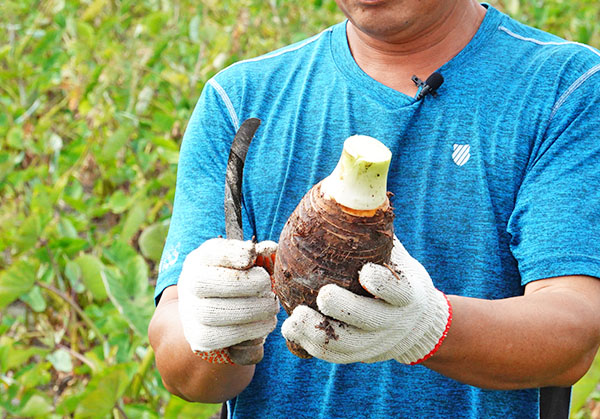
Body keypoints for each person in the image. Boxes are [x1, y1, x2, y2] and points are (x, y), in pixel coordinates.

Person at [148, 0, 600, 417]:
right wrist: (211, 326)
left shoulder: (564, 87)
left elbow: (572, 331)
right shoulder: (240, 99)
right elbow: (178, 362)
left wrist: (429, 326)